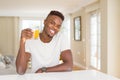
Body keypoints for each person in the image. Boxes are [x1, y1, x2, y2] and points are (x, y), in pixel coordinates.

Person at [16, 10, 73, 75]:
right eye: (52, 23)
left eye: (58, 26)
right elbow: (20, 71)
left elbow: (69, 66)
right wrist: (22, 40)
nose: (54, 27)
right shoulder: (31, 39)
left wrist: (44, 70)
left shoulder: (61, 37)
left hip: (54, 77)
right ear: (45, 22)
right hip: (36, 78)